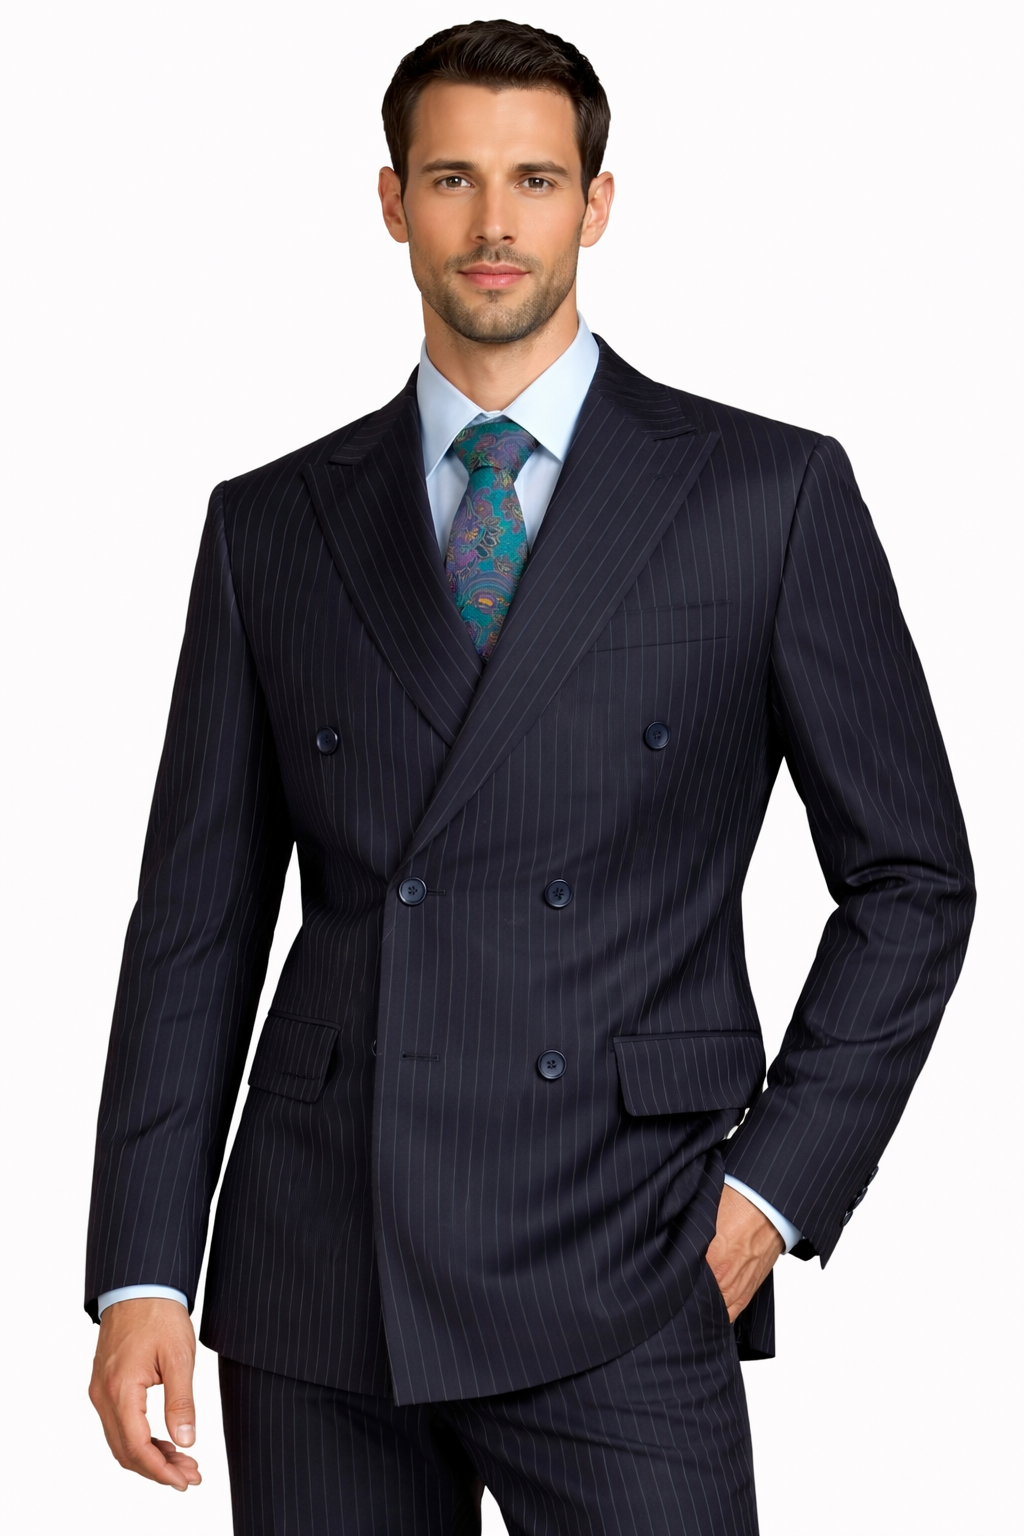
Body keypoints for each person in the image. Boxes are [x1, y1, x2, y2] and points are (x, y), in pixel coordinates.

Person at [85, 19, 974, 1535]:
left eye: (535, 180)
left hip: (628, 1248)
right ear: (392, 202)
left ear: (597, 203)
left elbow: (912, 882)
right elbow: (195, 923)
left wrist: (771, 1196)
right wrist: (142, 1269)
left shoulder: (764, 493)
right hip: (320, 1267)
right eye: (452, 179)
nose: (494, 223)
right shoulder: (270, 524)